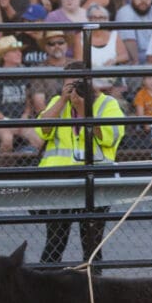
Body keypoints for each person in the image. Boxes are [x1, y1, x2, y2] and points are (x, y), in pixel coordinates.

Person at [35, 61, 123, 270]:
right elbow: (42, 131)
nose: (76, 87)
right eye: (70, 83)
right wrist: (63, 101)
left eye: (80, 82)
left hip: (95, 178)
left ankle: (94, 284)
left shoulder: (107, 103)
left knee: (91, 241)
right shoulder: (58, 101)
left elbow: (110, 137)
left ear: (91, 81)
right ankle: (47, 282)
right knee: (55, 239)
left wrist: (84, 110)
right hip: (59, 179)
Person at [0, 35, 44, 153]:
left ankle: (26, 163)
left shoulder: (23, 71)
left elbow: (27, 102)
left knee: (39, 140)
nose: (19, 54)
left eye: (19, 51)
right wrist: (6, 120)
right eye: (14, 51)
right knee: (7, 138)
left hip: (19, 120)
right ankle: (0, 169)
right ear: (4, 56)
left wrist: (25, 116)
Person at [28, 29, 71, 112]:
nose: (57, 46)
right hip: (50, 118)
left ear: (67, 45)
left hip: (76, 117)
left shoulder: (76, 65)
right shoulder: (39, 70)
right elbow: (39, 105)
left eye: (60, 43)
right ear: (45, 47)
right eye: (52, 44)